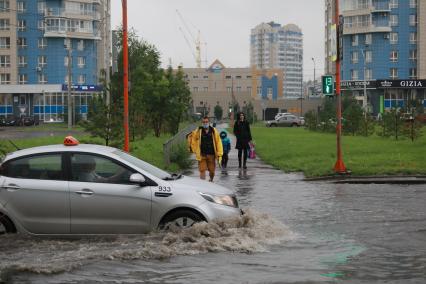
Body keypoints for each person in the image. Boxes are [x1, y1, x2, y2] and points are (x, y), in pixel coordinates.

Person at [190, 116, 223, 182]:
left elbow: (218, 142)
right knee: (202, 170)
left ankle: (211, 180)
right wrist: (193, 149)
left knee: (212, 171)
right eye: (204, 122)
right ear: (202, 123)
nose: (205, 123)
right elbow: (193, 138)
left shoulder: (213, 131)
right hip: (202, 155)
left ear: (209, 122)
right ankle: (203, 184)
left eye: (206, 122)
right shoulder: (199, 131)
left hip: (211, 155)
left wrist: (219, 153)